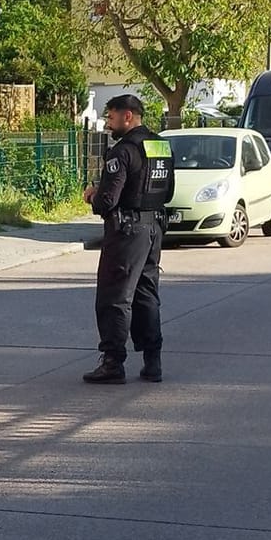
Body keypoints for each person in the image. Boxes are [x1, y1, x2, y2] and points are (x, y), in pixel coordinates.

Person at [83, 94, 164, 385]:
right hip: (154, 228)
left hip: (126, 231)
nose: (108, 122)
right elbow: (167, 189)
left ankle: (113, 362)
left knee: (114, 297)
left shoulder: (122, 152)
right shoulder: (160, 145)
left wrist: (93, 196)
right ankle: (153, 361)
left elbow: (107, 201)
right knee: (146, 295)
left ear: (127, 116)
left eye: (111, 116)